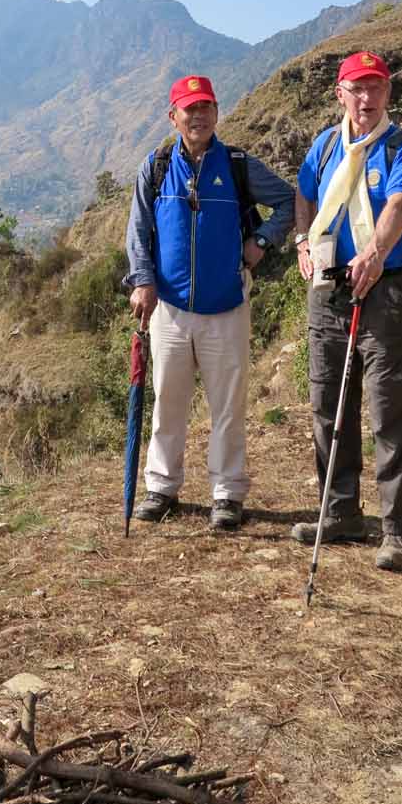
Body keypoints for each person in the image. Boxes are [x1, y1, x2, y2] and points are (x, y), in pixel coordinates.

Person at [125, 74, 295, 531]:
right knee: (169, 403)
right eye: (189, 109)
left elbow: (288, 202)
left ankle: (227, 493)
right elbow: (138, 231)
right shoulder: (157, 166)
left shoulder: (237, 165)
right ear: (173, 116)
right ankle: (162, 488)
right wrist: (142, 281)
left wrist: (261, 239)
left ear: (217, 113)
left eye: (206, 108)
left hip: (227, 307)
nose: (198, 116)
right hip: (171, 309)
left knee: (227, 406)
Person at [291, 51, 402, 570]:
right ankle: (341, 510)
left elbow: (399, 205)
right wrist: (304, 241)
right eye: (358, 89)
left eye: (376, 89)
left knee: (388, 408)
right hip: (327, 290)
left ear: (388, 93)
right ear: (340, 93)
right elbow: (304, 194)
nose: (367, 99)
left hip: (385, 291)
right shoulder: (326, 146)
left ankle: (397, 531)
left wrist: (373, 254)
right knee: (330, 402)